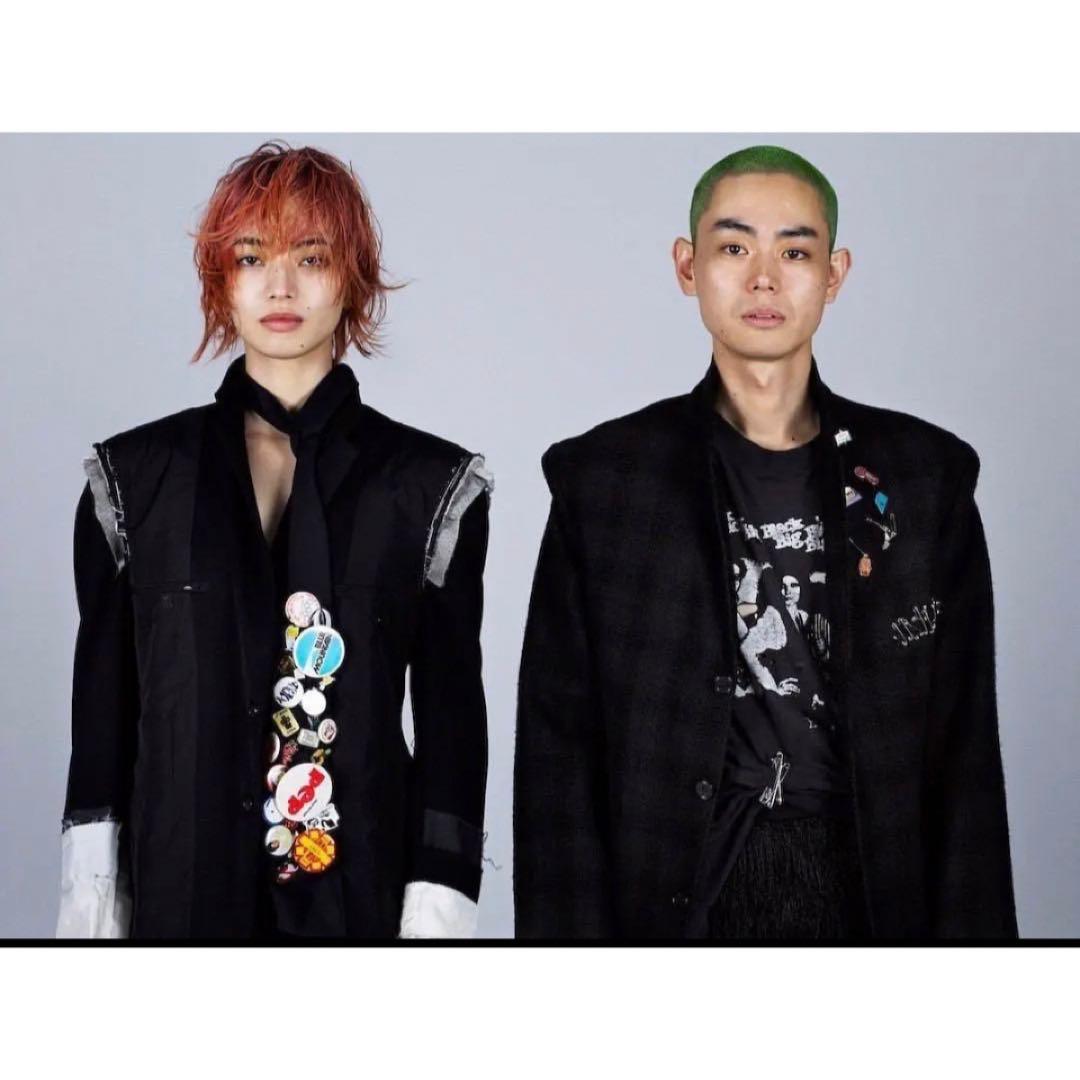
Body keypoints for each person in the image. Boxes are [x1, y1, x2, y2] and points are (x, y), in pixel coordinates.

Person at [513, 144, 1017, 940]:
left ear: (835, 274)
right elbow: (558, 763)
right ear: (688, 266)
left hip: (875, 892)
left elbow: (964, 761)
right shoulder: (604, 483)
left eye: (795, 252)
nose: (763, 279)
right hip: (673, 895)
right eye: (734, 247)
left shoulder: (925, 481)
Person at [57, 142, 493, 940]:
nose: (280, 286)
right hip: (181, 901)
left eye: (311, 257)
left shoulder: (428, 486)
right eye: (252, 257)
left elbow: (453, 728)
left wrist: (437, 918)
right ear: (220, 279)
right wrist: (92, 922)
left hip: (360, 904)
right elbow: (103, 729)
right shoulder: (136, 480)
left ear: (350, 278)